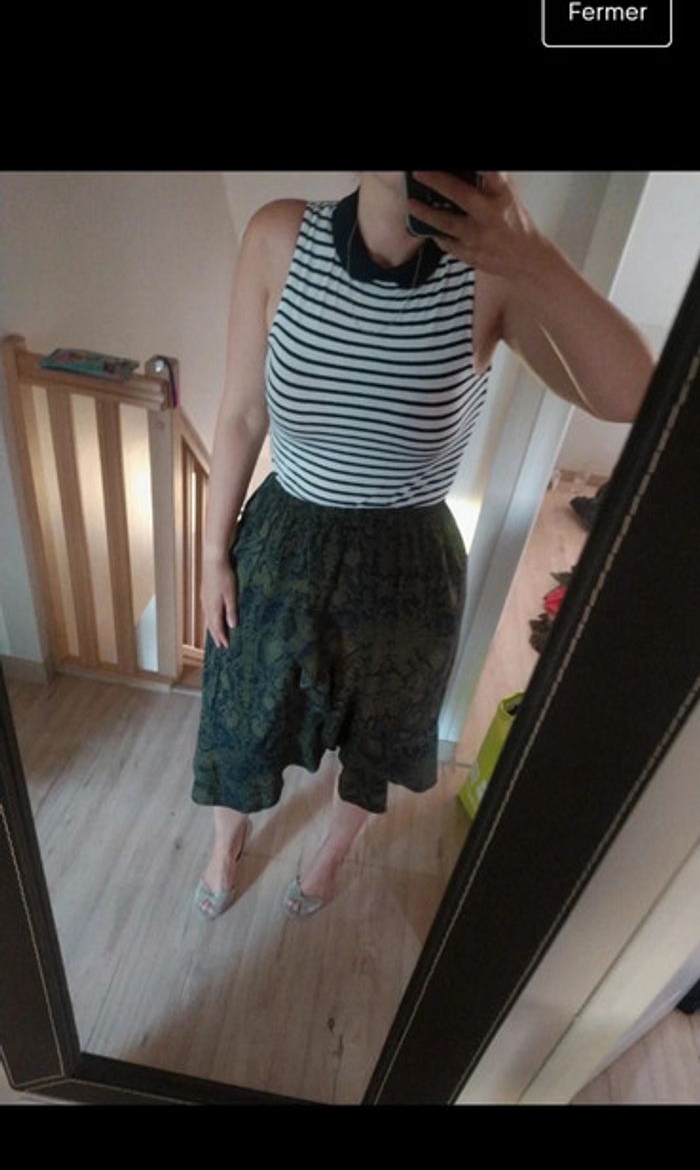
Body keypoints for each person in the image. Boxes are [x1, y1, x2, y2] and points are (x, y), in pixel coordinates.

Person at [190, 170, 655, 920]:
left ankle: (331, 854)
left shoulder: (492, 277)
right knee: (243, 717)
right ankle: (225, 843)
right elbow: (243, 413)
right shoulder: (278, 236)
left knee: (381, 734)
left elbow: (634, 394)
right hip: (283, 540)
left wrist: (532, 256)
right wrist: (213, 552)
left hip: (406, 563)